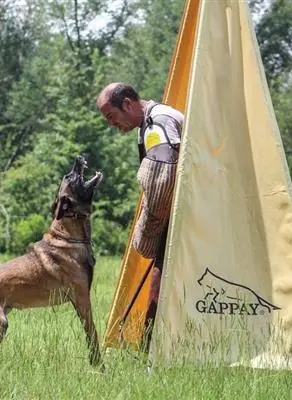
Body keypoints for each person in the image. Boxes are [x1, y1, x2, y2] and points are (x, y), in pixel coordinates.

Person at [96, 82, 184, 352]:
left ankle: (150, 352)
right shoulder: (147, 126)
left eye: (112, 116)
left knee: (157, 285)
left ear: (127, 104)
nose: (112, 125)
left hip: (181, 216)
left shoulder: (158, 123)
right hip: (179, 213)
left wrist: (149, 230)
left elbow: (161, 182)